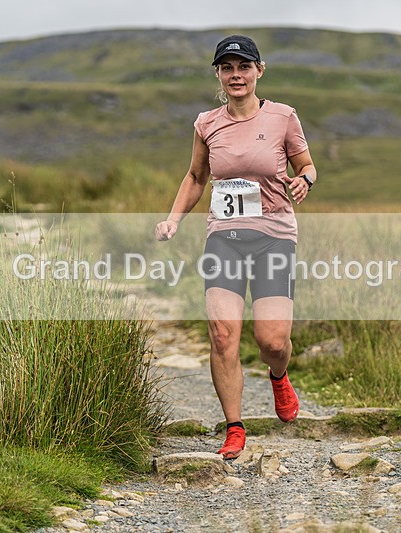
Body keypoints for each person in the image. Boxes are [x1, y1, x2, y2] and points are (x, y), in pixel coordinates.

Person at [154, 35, 317, 459]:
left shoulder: (283, 117)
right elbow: (195, 177)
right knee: (223, 334)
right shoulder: (207, 124)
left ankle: (279, 376)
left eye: (243, 67)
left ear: (259, 70)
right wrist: (173, 219)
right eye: (227, 68)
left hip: (274, 236)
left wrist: (306, 181)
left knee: (272, 341)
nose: (236, 75)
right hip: (224, 237)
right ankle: (235, 426)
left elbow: (307, 164)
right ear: (218, 75)